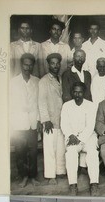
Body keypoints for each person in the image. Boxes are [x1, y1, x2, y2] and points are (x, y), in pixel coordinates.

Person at [60, 82, 99, 196]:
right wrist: (71, 135)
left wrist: (80, 138)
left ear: (84, 93)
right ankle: (73, 185)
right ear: (72, 92)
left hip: (88, 136)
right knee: (71, 153)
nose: (77, 95)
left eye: (80, 92)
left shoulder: (91, 105)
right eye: (75, 92)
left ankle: (94, 184)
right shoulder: (66, 105)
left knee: (93, 152)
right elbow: (64, 124)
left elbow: (90, 126)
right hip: (72, 137)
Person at [10, 53, 41, 188]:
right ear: (21, 65)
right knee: (20, 151)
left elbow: (40, 102)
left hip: (33, 122)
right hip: (18, 123)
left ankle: (33, 176)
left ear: (33, 66)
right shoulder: (13, 82)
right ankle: (23, 176)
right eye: (25, 64)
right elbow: (10, 104)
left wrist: (39, 120)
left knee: (33, 152)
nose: (27, 67)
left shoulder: (37, 81)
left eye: (30, 64)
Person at [38, 53, 66, 184]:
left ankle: (60, 171)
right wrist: (46, 120)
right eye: (53, 63)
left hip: (61, 119)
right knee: (50, 148)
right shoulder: (44, 81)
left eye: (57, 63)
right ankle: (50, 175)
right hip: (50, 120)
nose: (55, 66)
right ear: (48, 65)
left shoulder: (60, 78)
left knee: (60, 147)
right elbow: (41, 101)